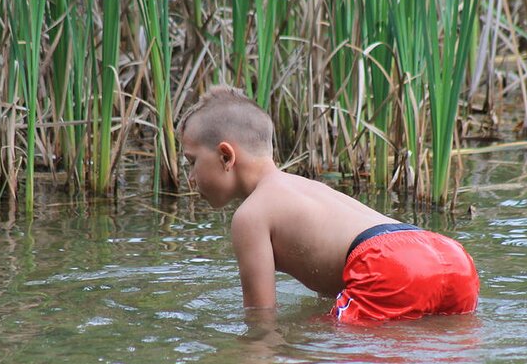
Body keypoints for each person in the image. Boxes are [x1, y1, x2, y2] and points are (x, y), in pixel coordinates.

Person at [178, 85, 479, 323]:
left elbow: (260, 316)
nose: (190, 178)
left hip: (388, 265)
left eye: (192, 162)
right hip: (448, 256)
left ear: (226, 156)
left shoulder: (251, 215)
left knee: (315, 341)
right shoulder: (308, 188)